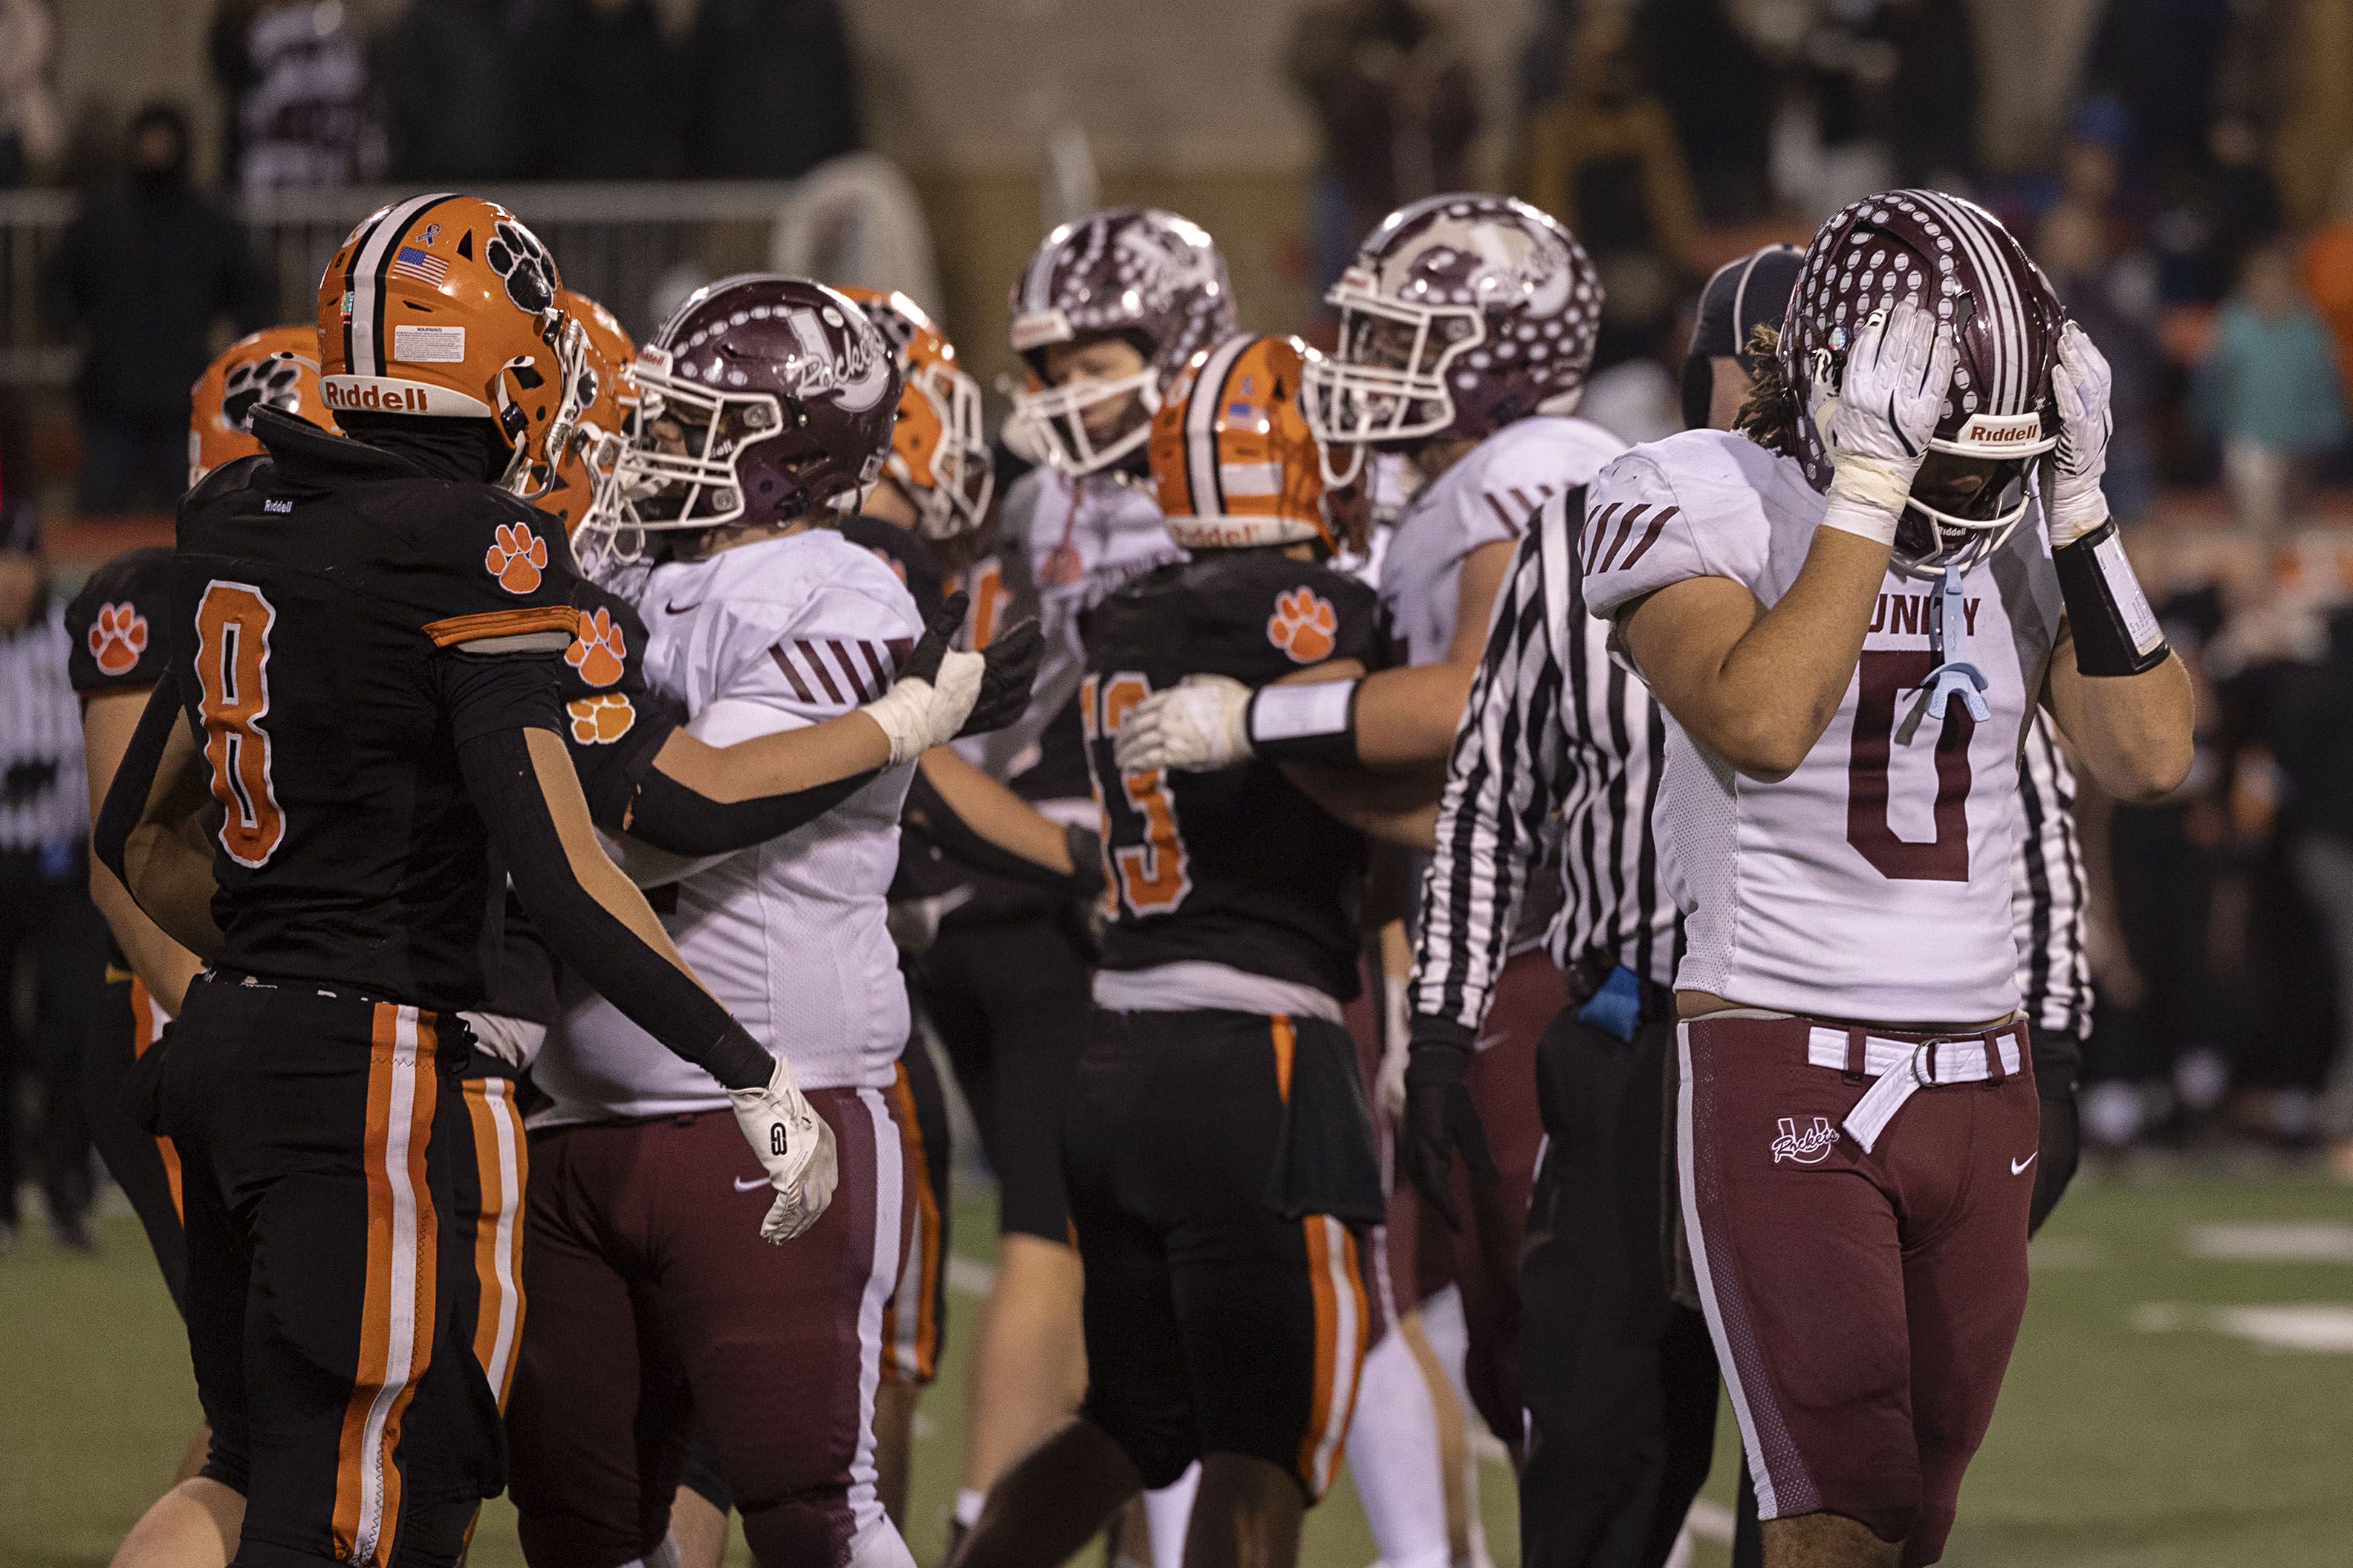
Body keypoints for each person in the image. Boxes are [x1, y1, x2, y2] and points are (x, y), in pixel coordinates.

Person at [94, 197, 843, 1568]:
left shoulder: (240, 512)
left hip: (230, 1051)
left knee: (277, 1461)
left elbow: (135, 835)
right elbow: (560, 865)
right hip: (374, 1069)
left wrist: (283, 954)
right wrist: (748, 1066)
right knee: (349, 1507)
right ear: (496, 354)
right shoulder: (475, 543)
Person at [1580, 190, 2194, 1567]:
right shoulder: (1684, 488)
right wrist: (1861, 489)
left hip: (1987, 1069)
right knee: (1836, 1514)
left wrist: (2085, 516)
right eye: (1953, 459)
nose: (1977, 497)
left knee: (1910, 1523)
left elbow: (2149, 756)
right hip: (1784, 1048)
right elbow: (1760, 720)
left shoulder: (2021, 516)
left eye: (2007, 464)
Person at [508, 273, 1039, 1568]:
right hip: (574, 1106)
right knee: (582, 1529)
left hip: (765, 1096)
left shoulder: (838, 589)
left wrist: (521, 789)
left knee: (809, 1509)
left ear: (791, 455)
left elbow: (670, 812)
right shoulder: (618, 572)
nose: (655, 447)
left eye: (697, 423)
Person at [1123, 190, 1614, 1568]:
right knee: (1507, 1342)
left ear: (1500, 350)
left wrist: (1257, 723)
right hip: (1494, 950)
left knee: (1570, 1353)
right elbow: (1434, 802)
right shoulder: (1455, 488)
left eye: (1406, 334)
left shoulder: (1539, 462)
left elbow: (1472, 709)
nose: (1367, 363)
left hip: (1568, 952)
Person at [957, 333, 1386, 1568]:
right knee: (1264, 1444)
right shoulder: (1321, 613)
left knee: (1129, 1423)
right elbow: (1389, 767)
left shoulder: (1122, 609)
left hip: (1117, 1045)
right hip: (1255, 1058)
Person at [932, 206, 1235, 1555]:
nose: (1059, 399)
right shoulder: (1060, 490)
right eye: (1044, 372)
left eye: (1088, 364)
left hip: (1027, 892)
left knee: (1102, 1258)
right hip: (1090, 909)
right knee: (1105, 1251)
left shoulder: (1133, 481)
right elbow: (1012, 704)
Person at [48, 102, 272, 514]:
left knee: (189, 513)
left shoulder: (209, 221)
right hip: (112, 394)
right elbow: (61, 281)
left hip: (186, 397)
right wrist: (73, 331)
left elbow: (251, 289)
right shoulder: (102, 217)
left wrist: (230, 338)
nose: (155, 149)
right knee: (101, 519)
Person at [0, 496, 103, 1257]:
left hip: (66, 868)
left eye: (19, 562)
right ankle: (4, 1198)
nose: (9, 578)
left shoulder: (77, 636)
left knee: (76, 1025)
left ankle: (69, 1188)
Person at [2192, 243, 2348, 535]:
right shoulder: (2233, 324)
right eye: (2264, 279)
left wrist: (2331, 435)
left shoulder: (2308, 327)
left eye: (2279, 280)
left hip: (2300, 441)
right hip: (2249, 441)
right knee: (2257, 525)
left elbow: (2325, 384)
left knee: (2297, 526)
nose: (2271, 287)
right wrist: (2205, 431)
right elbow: (2210, 383)